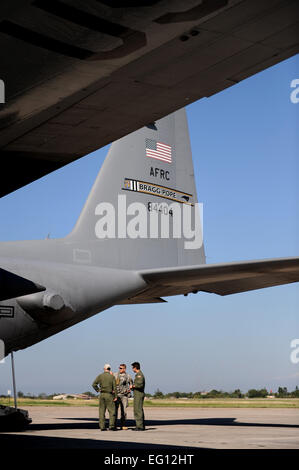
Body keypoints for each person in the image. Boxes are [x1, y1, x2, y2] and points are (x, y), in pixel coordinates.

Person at [92, 363, 117, 431]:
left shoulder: (100, 376)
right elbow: (115, 388)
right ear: (110, 369)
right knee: (112, 411)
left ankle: (102, 427)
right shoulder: (112, 377)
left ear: (104, 369)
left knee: (101, 411)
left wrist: (98, 390)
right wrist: (116, 396)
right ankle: (111, 426)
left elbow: (94, 384)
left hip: (102, 394)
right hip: (109, 395)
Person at [114, 363, 133, 430]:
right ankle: (114, 424)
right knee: (115, 411)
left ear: (124, 369)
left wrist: (129, 390)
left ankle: (123, 424)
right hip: (117, 395)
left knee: (124, 411)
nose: (120, 369)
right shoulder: (115, 375)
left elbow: (131, 384)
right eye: (119, 368)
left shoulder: (128, 376)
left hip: (124, 395)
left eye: (121, 368)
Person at [130, 361, 145, 431]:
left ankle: (140, 426)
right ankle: (140, 425)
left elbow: (140, 385)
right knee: (138, 409)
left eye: (133, 368)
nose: (132, 369)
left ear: (135, 367)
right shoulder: (138, 375)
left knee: (138, 410)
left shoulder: (139, 375)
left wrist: (133, 386)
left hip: (139, 394)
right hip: (137, 394)